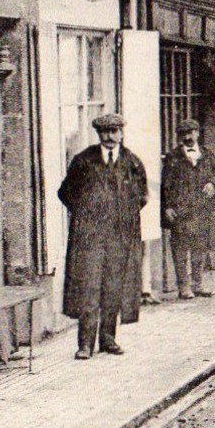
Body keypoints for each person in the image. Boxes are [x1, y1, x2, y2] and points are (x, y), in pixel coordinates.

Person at [57, 113, 148, 360]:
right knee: (89, 288)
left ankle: (108, 339)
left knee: (113, 287)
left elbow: (142, 196)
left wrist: (122, 216)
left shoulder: (132, 163)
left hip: (119, 238)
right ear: (98, 134)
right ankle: (85, 344)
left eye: (114, 131)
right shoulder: (83, 161)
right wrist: (86, 214)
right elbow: (66, 192)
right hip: (90, 239)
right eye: (104, 132)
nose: (109, 136)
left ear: (121, 133)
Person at [160, 120, 215, 300]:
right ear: (180, 137)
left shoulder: (207, 154)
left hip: (203, 208)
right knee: (181, 248)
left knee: (200, 247)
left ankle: (198, 283)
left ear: (198, 133)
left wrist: (213, 184)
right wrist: (167, 207)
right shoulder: (172, 158)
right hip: (181, 209)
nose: (188, 137)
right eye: (184, 134)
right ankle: (183, 286)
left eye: (192, 132)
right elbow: (165, 185)